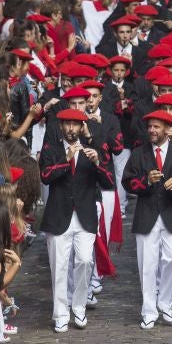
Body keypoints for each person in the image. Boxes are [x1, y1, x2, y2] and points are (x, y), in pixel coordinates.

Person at [38, 107, 114, 332]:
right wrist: (66, 159)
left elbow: (109, 182)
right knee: (59, 266)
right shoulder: (51, 149)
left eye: (75, 124)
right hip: (58, 215)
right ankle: (60, 313)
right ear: (61, 127)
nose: (71, 128)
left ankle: (79, 307)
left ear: (82, 127)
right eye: (67, 124)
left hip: (85, 216)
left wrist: (98, 162)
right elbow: (46, 176)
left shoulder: (92, 149)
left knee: (84, 261)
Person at [123, 110, 172, 330]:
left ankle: (165, 303)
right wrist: (145, 181)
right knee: (147, 266)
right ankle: (148, 310)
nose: (152, 130)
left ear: (167, 128)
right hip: (146, 216)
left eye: (156, 127)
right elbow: (127, 182)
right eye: (150, 127)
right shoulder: (138, 153)